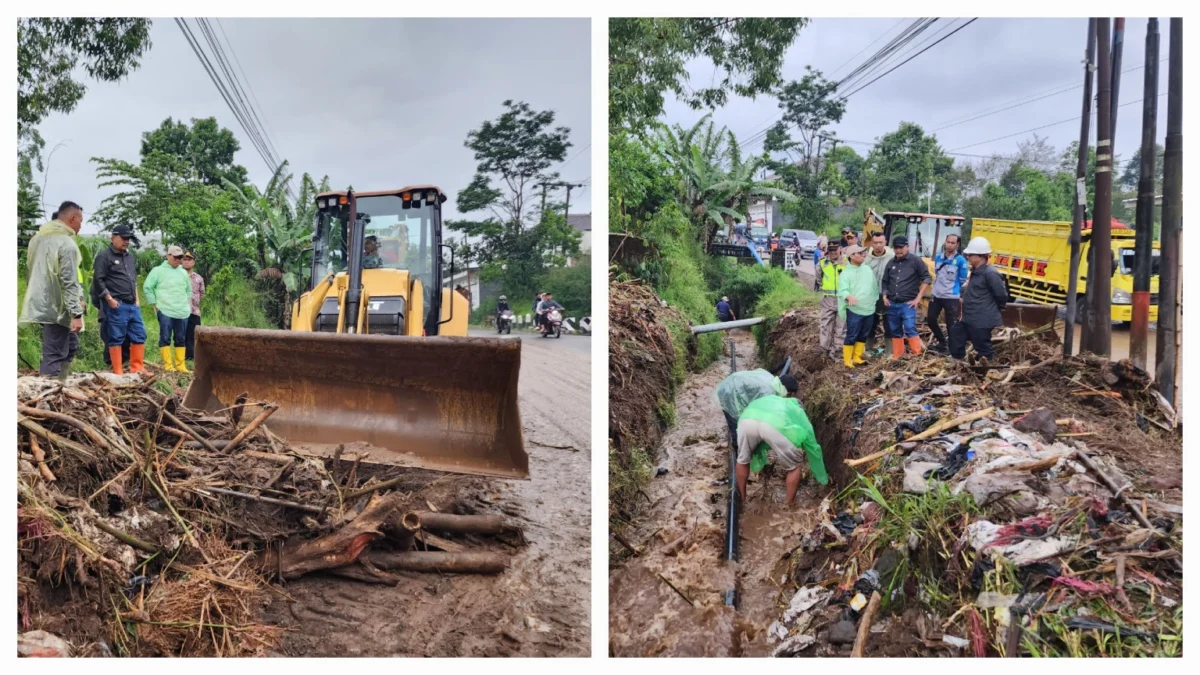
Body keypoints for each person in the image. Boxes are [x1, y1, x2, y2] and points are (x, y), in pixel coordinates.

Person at [20, 202, 85, 380]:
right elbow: (68, 281)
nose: (81, 225)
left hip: (40, 301)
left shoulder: (37, 239)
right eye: (80, 220)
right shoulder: (66, 244)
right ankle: (49, 388)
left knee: (70, 345)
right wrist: (76, 313)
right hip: (58, 306)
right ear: (72, 219)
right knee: (55, 351)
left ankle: (61, 384)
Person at [735, 395, 829, 505]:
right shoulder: (797, 410)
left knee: (742, 460)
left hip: (747, 421)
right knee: (794, 467)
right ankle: (788, 505)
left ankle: (741, 499)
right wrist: (821, 475)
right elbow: (810, 440)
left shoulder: (772, 399)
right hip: (774, 424)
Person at [93, 224, 146, 374]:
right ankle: (118, 370)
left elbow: (133, 280)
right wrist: (109, 299)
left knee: (139, 334)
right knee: (116, 337)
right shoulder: (104, 257)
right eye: (123, 238)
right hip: (117, 304)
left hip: (132, 304)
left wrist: (137, 300)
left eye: (128, 238)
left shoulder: (130, 257)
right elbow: (98, 280)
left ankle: (137, 368)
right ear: (113, 237)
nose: (126, 241)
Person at [952, 237, 1008, 364]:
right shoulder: (975, 271)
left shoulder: (990, 273)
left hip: (981, 319)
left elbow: (1002, 295)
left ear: (981, 256)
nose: (968, 257)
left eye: (971, 254)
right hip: (968, 317)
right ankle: (958, 364)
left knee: (982, 346)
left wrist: (993, 309)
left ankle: (986, 371)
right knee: (956, 335)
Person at [715, 369, 799, 445]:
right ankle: (737, 449)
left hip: (731, 385)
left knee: (741, 422)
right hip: (729, 393)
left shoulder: (771, 379)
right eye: (789, 393)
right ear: (785, 389)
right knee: (735, 425)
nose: (788, 396)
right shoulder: (768, 393)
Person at [143, 245, 193, 373]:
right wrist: (155, 305)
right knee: (165, 337)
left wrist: (185, 303)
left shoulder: (183, 272)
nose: (178, 260)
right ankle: (168, 365)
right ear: (168, 256)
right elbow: (147, 287)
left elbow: (188, 290)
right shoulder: (158, 270)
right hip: (165, 310)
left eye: (180, 257)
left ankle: (180, 365)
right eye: (176, 257)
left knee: (181, 338)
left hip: (182, 311)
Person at [880, 235, 932, 359]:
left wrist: (919, 297)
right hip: (892, 303)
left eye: (901, 247)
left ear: (907, 247)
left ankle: (917, 355)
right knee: (895, 330)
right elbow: (885, 281)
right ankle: (898, 356)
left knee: (909, 328)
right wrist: (884, 295)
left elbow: (927, 278)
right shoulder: (891, 263)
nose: (898, 250)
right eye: (896, 248)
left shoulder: (915, 261)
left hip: (908, 303)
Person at [837, 245, 879, 368]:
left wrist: (875, 299)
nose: (863, 255)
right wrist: (848, 296)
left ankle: (857, 357)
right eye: (859, 253)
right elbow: (842, 289)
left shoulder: (867, 269)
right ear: (851, 256)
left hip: (869, 308)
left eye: (863, 253)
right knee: (852, 335)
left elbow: (874, 286)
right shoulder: (846, 273)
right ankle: (847, 360)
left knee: (863, 334)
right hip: (855, 309)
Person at [928, 234, 969, 353]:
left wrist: (952, 288)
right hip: (937, 295)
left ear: (957, 245)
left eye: (953, 243)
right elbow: (937, 273)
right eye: (948, 242)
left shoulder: (961, 260)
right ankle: (942, 342)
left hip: (951, 297)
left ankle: (952, 348)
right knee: (931, 319)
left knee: (951, 324)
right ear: (945, 242)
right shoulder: (938, 257)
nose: (950, 244)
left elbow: (962, 279)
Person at [864, 232, 895, 350]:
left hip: (887, 296)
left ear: (885, 242)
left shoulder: (892, 257)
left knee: (889, 324)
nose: (878, 245)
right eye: (875, 243)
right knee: (870, 324)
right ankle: (868, 349)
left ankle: (889, 351)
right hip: (870, 296)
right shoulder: (866, 258)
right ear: (871, 243)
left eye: (880, 242)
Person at [815, 242, 845, 361]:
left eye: (835, 249)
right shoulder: (822, 263)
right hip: (828, 299)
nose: (833, 252)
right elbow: (819, 279)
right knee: (825, 325)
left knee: (841, 327)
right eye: (831, 250)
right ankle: (824, 350)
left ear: (840, 249)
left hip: (843, 299)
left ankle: (838, 352)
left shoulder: (847, 262)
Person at [182, 251, 205, 364]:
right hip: (180, 310)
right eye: (185, 260)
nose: (187, 262)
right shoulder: (178, 276)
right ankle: (183, 357)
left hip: (194, 311)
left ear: (193, 262)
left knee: (195, 334)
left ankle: (194, 357)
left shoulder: (198, 278)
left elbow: (202, 293)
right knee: (181, 334)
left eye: (189, 260)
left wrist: (195, 302)